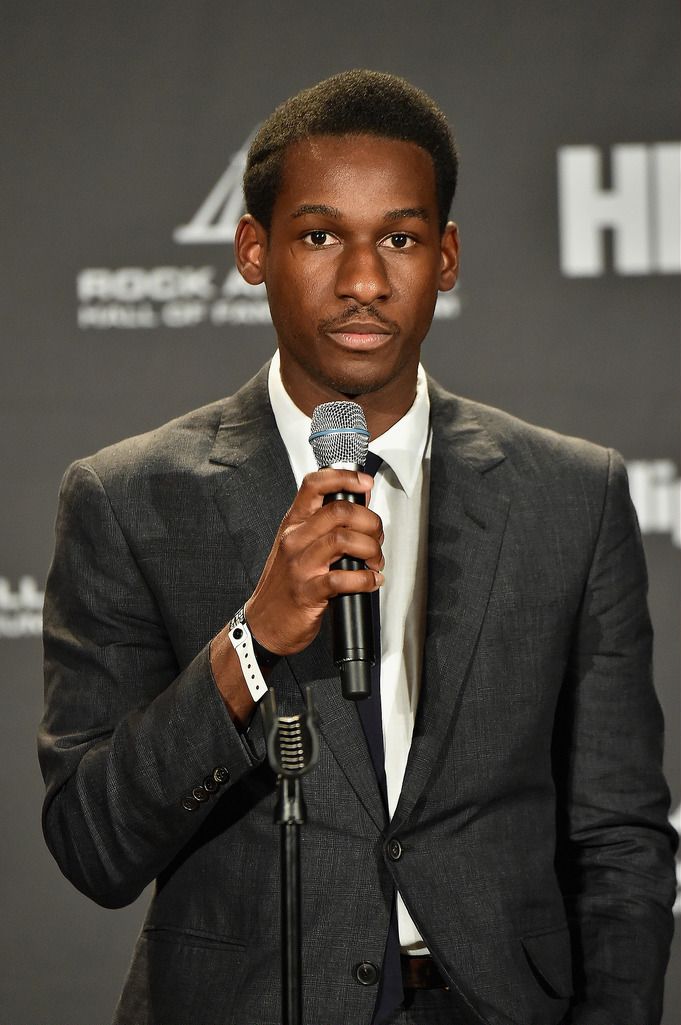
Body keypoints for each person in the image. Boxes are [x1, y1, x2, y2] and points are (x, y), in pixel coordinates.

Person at [39, 70, 676, 1025]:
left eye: (401, 239)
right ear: (254, 250)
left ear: (447, 257)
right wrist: (249, 645)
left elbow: (620, 832)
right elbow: (93, 845)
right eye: (320, 235)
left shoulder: (569, 493)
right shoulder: (128, 498)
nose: (365, 280)